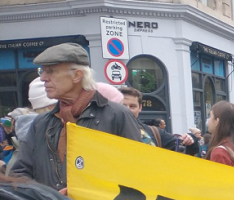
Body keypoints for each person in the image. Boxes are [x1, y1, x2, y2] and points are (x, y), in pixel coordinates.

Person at [10, 43, 142, 191]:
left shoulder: (117, 115)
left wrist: (83, 195)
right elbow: (19, 175)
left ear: (77, 75)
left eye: (51, 71)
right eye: (42, 71)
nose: (43, 78)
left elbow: (135, 172)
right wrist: (50, 199)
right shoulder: (41, 123)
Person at [118, 86, 200, 155]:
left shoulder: (154, 132)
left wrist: (190, 139)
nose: (127, 110)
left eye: (132, 106)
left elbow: (184, 148)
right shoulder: (106, 130)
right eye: (123, 105)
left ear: (140, 108)